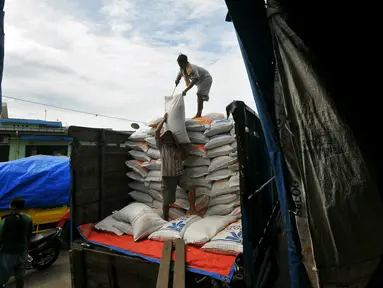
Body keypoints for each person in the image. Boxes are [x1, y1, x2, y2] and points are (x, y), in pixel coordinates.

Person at [155, 113, 197, 220]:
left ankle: (192, 209)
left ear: (173, 139)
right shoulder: (162, 147)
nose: (168, 140)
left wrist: (182, 150)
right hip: (167, 178)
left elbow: (186, 155)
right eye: (166, 138)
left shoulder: (178, 149)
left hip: (179, 175)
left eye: (170, 138)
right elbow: (156, 132)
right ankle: (165, 218)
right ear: (163, 140)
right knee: (167, 201)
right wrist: (164, 120)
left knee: (191, 188)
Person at [0, 198, 33, 288]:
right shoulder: (28, 218)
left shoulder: (6, 220)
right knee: (20, 275)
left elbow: (0, 236)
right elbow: (29, 234)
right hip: (22, 251)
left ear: (13, 206)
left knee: (2, 276)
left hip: (8, 253)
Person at [175, 54, 213, 118]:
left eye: (181, 64)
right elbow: (179, 74)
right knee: (200, 96)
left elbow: (194, 81)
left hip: (205, 79)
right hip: (199, 82)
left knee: (199, 95)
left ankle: (198, 114)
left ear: (185, 62)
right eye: (179, 64)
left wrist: (186, 90)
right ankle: (203, 98)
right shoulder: (182, 68)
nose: (180, 66)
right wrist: (177, 80)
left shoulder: (192, 68)